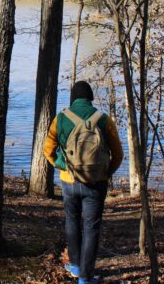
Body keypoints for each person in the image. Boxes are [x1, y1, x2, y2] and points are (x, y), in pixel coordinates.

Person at [43, 80, 123, 284]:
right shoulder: (104, 120)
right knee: (91, 227)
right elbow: (118, 155)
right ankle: (86, 278)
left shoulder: (60, 119)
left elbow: (47, 151)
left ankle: (76, 266)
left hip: (69, 181)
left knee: (71, 219)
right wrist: (105, 172)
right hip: (96, 183)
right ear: (91, 98)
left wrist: (62, 166)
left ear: (73, 98)